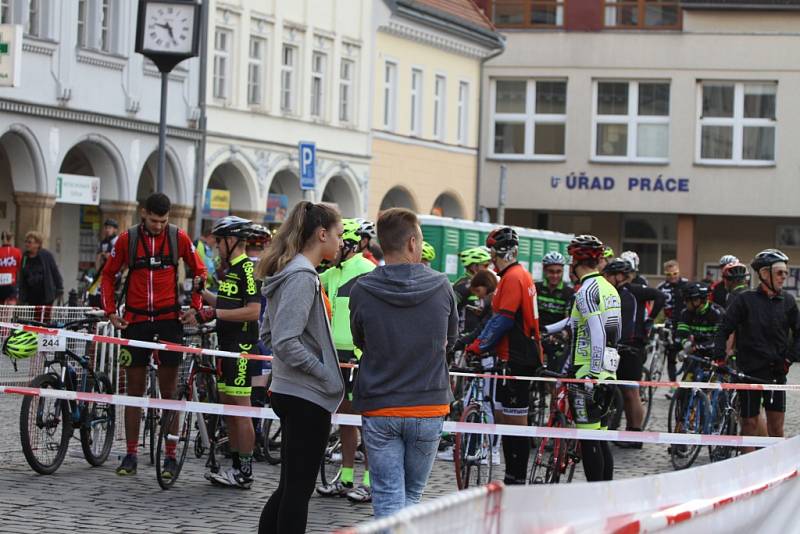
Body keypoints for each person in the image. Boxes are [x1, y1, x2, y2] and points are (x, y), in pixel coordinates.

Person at [349, 208, 458, 518]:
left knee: (387, 495)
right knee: (412, 495)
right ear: (412, 243)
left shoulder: (362, 289)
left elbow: (360, 340)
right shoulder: (441, 286)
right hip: (428, 403)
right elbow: (450, 339)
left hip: (380, 403)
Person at [101, 193, 206, 477]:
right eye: (154, 220)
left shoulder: (178, 237)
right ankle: (131, 453)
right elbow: (108, 275)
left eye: (164, 221)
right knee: (133, 392)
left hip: (168, 320)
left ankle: (170, 455)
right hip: (135, 321)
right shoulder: (127, 239)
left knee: (169, 392)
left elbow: (200, 271)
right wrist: (111, 311)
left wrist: (195, 308)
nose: (159, 225)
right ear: (142, 213)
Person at [257, 201, 345, 534]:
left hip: (291, 389)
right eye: (337, 234)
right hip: (305, 395)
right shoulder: (302, 277)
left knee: (290, 487)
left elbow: (269, 331)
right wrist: (324, 374)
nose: (340, 242)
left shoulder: (291, 272)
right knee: (298, 490)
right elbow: (284, 340)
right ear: (321, 234)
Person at [465, 227, 541, 485]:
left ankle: (516, 478)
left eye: (492, 252)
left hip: (516, 357)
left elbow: (503, 320)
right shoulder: (519, 275)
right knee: (507, 418)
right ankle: (513, 475)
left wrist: (479, 346)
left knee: (513, 421)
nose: (490, 258)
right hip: (518, 355)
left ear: (502, 252)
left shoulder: (512, 277)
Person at [192, 216, 262, 489]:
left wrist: (215, 312)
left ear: (232, 241)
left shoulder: (247, 269)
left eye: (219, 241)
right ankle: (234, 466)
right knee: (229, 408)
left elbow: (254, 311)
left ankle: (245, 470)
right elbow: (226, 302)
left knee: (240, 410)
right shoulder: (231, 270)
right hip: (227, 345)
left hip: (242, 348)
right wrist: (204, 295)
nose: (217, 246)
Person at [546, 235, 621, 482]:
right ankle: (606, 496)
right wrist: (543, 329)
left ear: (576, 263)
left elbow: (597, 332)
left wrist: (591, 374)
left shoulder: (585, 291)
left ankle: (595, 496)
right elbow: (606, 330)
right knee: (600, 439)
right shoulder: (609, 288)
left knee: (588, 441)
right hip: (609, 372)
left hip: (588, 372)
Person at [713, 249, 800, 452]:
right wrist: (719, 358)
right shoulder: (745, 300)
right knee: (750, 426)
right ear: (764, 274)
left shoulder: (787, 301)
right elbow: (724, 329)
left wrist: (789, 359)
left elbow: (799, 333)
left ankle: (775, 472)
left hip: (777, 373)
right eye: (780, 273)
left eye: (785, 273)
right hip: (749, 372)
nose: (784, 277)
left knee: (776, 428)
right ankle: (747, 472)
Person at [315, 218, 376, 503]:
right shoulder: (334, 271)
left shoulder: (367, 270)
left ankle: (369, 481)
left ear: (351, 244)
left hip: (359, 356)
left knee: (366, 423)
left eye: (341, 241)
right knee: (345, 421)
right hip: (336, 356)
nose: (336, 245)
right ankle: (347, 477)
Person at [603, 258, 664, 447]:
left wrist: (650, 319)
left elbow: (661, 296)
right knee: (615, 388)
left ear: (620, 276)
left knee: (631, 392)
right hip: (613, 346)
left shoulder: (634, 289)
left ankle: (635, 435)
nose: (606, 278)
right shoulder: (612, 292)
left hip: (632, 346)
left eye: (610, 275)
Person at [537, 251, 574, 371]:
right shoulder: (535, 288)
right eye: (551, 272)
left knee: (554, 373)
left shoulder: (569, 293)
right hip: (536, 336)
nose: (555, 276)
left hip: (556, 339)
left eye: (558, 272)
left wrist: (560, 335)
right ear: (544, 270)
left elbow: (569, 319)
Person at [656, 259, 690, 384]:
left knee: (687, 356)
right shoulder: (661, 287)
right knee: (671, 357)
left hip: (685, 325)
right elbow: (658, 309)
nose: (672, 277)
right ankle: (673, 385)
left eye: (675, 274)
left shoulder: (686, 284)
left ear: (679, 272)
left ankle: (686, 384)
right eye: (669, 275)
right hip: (669, 326)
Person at [453, 246, 492, 334]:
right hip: (462, 336)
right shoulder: (463, 285)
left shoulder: (482, 283)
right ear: (474, 267)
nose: (488, 269)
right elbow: (448, 308)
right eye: (485, 265)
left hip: (476, 335)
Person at [18, 231, 63, 306]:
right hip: (30, 297)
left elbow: (55, 272)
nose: (26, 244)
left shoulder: (46, 255)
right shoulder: (25, 257)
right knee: (32, 317)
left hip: (46, 296)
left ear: (37, 244)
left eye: (29, 242)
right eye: (26, 242)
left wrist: (60, 288)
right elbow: (22, 275)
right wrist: (21, 296)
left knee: (44, 317)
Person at [88, 219, 120, 307]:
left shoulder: (119, 241)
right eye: (106, 228)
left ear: (115, 229)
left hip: (116, 272)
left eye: (109, 228)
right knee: (93, 293)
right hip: (104, 271)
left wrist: (110, 256)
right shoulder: (102, 243)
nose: (107, 230)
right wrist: (98, 269)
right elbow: (98, 258)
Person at [194, 227, 220, 291]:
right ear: (210, 237)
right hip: (203, 285)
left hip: (206, 284)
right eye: (215, 238)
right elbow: (206, 266)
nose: (215, 242)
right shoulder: (199, 245)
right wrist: (215, 281)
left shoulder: (206, 247)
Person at [0, 231, 21, 305]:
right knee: (9, 310)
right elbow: (19, 268)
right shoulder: (17, 252)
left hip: (4, 284)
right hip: (12, 283)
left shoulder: (17, 251)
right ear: (11, 239)